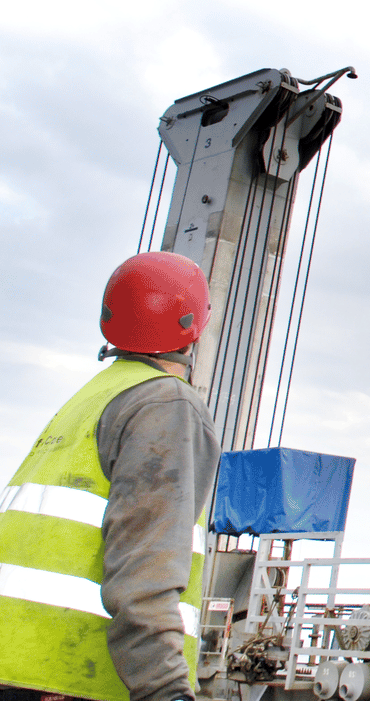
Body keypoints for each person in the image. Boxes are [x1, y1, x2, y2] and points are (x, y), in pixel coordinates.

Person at [0, 251, 221, 701]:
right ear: (194, 324)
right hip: (74, 677)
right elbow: (146, 570)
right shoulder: (164, 404)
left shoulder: (93, 396)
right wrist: (167, 691)